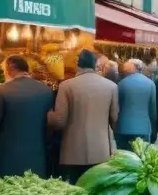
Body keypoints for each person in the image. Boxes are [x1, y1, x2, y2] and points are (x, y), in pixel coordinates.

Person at [50, 49, 119, 184]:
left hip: (73, 150)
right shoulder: (111, 86)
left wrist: (48, 115)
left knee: (75, 189)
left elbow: (59, 121)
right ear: (95, 65)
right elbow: (114, 118)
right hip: (101, 149)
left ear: (78, 64)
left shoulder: (66, 86)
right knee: (96, 189)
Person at [0, 55, 54, 178]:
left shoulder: (1, 91)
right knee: (36, 190)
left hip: (9, 155)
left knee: (10, 190)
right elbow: (50, 124)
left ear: (10, 68)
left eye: (3, 70)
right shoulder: (46, 90)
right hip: (37, 153)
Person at [115, 60, 157, 151]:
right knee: (141, 158)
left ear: (132, 67)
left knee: (123, 158)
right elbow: (153, 109)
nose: (124, 70)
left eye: (126, 68)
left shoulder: (121, 84)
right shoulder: (150, 83)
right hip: (143, 128)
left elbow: (116, 106)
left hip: (123, 128)